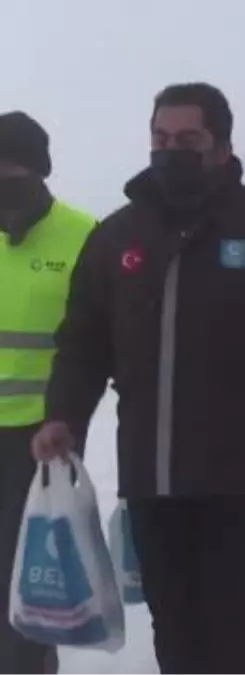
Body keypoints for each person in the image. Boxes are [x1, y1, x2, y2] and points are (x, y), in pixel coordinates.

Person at [31, 82, 245, 675]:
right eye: (160, 139)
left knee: (235, 614)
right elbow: (83, 341)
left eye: (187, 140)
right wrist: (63, 414)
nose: (170, 151)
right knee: (173, 618)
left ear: (221, 147)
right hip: (152, 470)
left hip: (239, 472)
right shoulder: (117, 238)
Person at [0, 111, 95, 675]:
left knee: (25, 578)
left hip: (41, 439)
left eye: (14, 171)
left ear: (40, 171)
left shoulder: (85, 237)